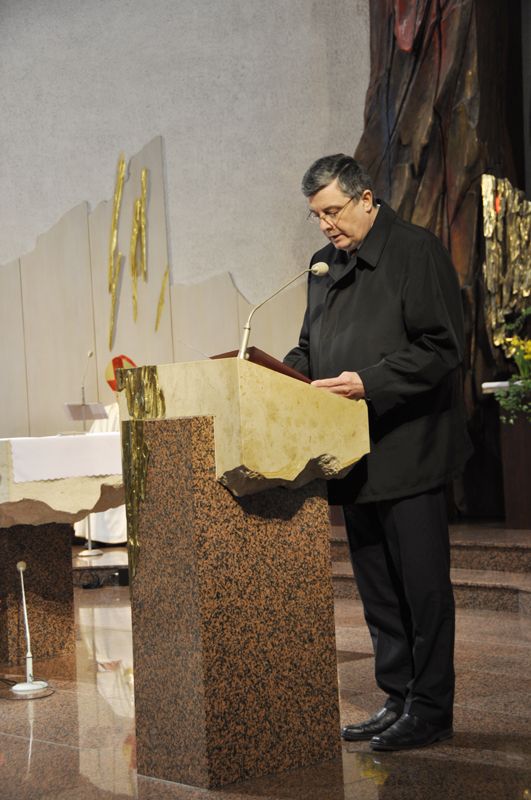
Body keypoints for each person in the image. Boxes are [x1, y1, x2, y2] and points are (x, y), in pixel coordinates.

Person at [284, 154, 473, 752]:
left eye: (333, 212)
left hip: (409, 450)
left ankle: (432, 708)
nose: (326, 226)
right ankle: (398, 696)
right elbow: (310, 347)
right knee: (379, 592)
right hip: (351, 454)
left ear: (366, 198)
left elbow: (442, 348)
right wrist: (277, 375)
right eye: (317, 216)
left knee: (422, 588)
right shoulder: (323, 267)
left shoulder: (415, 251)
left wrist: (369, 381)